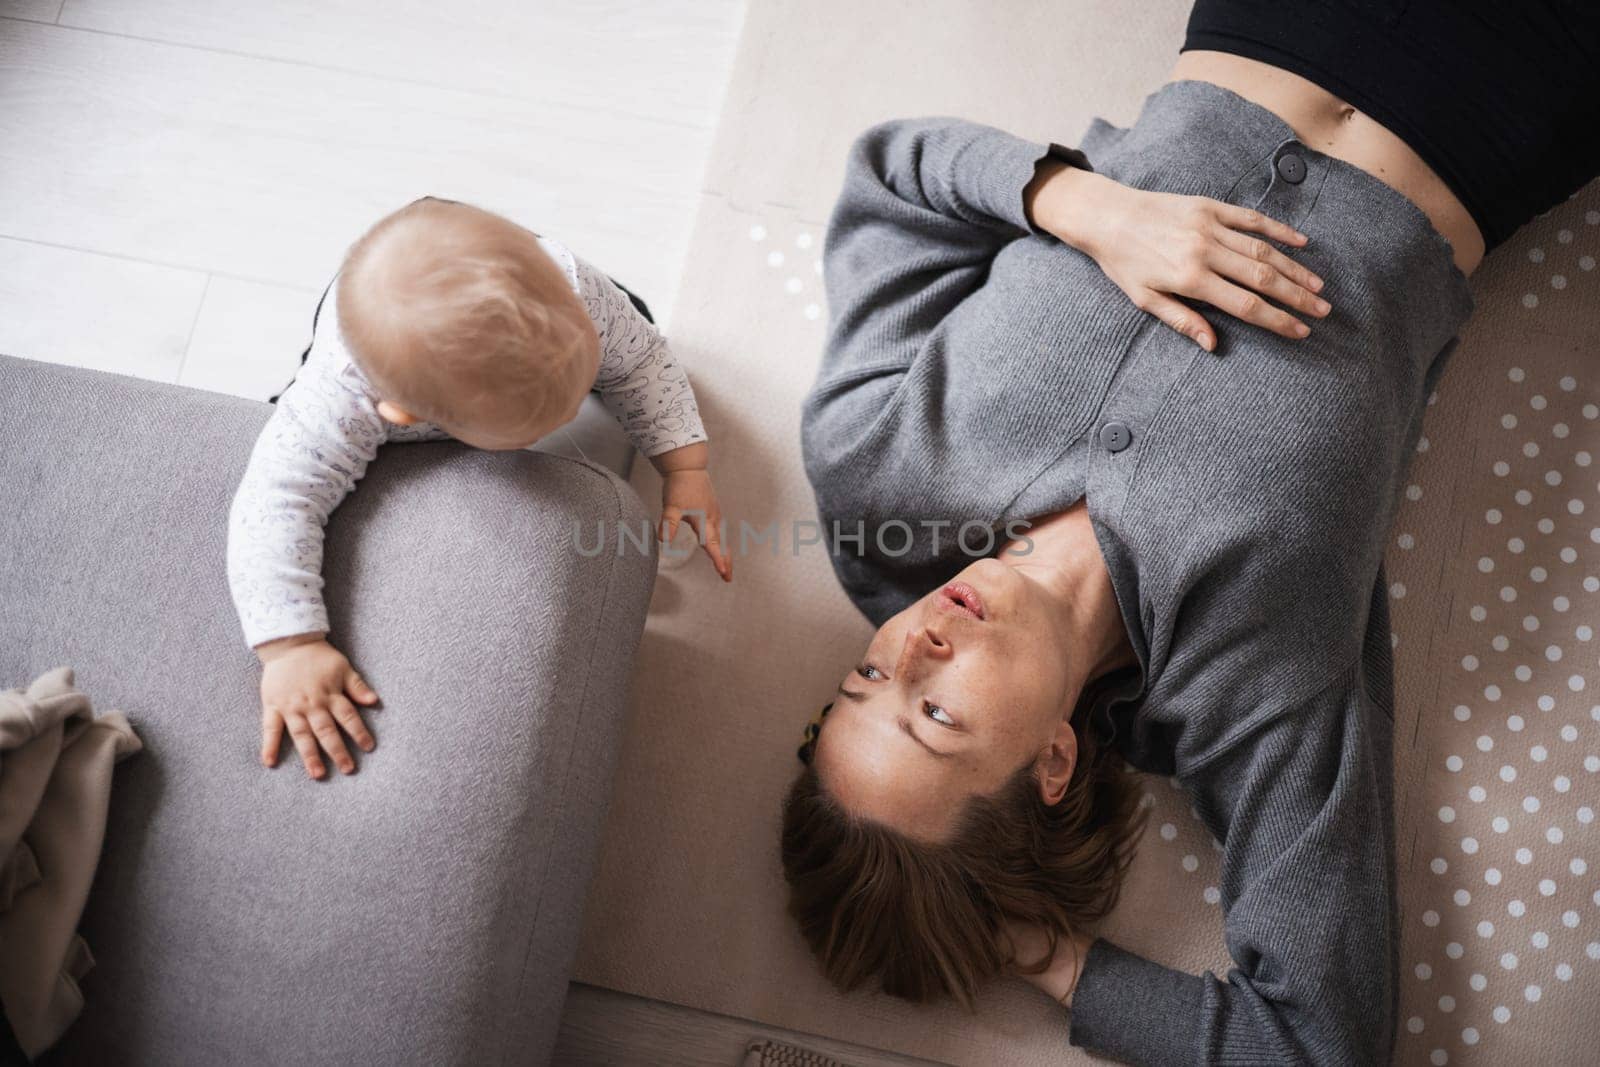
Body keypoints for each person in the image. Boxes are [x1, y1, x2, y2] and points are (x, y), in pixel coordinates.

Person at [780, 3, 1600, 1063]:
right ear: (1053, 761)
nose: (908, 648)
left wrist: (1083, 207)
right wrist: (1041, 952)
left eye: (863, 680)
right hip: (1508, 104)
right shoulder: (1240, 694)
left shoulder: (874, 480)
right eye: (933, 713)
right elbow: (1317, 1043)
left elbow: (891, 178)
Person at [227, 197, 729, 780]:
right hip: (353, 375)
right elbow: (274, 504)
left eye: (577, 391)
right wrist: (290, 646)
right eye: (546, 423)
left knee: (633, 325)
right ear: (407, 415)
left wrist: (686, 467)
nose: (570, 420)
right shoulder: (344, 402)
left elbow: (643, 365)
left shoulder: (576, 291)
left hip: (562, 295)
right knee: (292, 450)